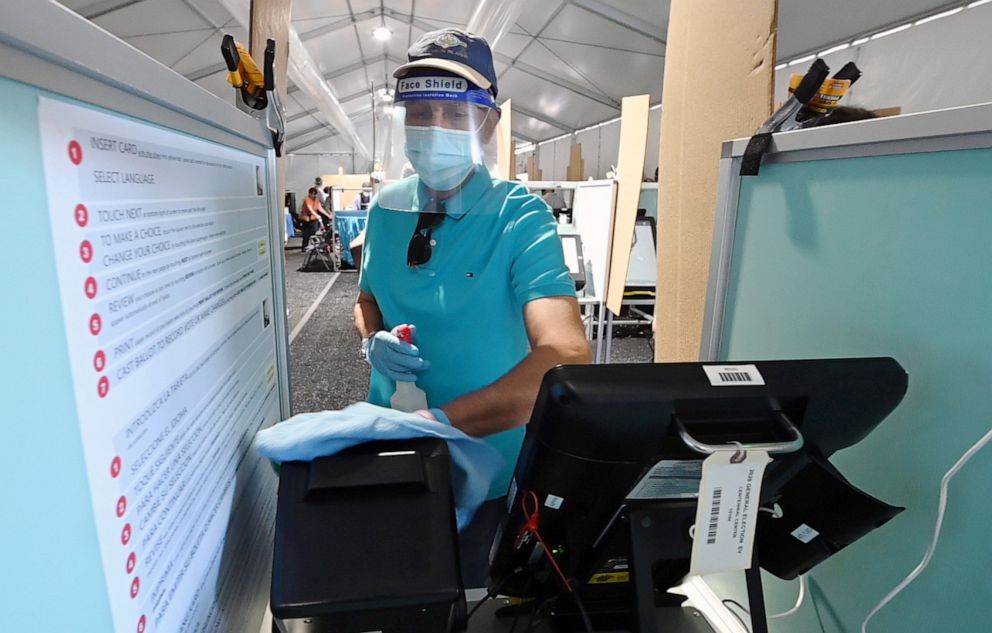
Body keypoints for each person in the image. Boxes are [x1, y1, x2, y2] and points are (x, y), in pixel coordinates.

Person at [355, 28, 591, 585]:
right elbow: (366, 298)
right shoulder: (386, 209)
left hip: (489, 458)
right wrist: (371, 340)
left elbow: (565, 357)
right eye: (419, 113)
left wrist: (440, 424)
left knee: (478, 592)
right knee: (400, 586)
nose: (433, 129)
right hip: (395, 445)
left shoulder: (519, 218)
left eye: (452, 113)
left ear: (487, 123)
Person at [299, 187, 332, 253]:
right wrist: (317, 215)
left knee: (314, 232)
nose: (313, 195)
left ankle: (314, 247)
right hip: (306, 218)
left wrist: (328, 215)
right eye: (312, 194)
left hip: (313, 218)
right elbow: (310, 209)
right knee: (306, 234)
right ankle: (304, 247)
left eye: (315, 194)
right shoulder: (307, 199)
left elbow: (320, 209)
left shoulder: (316, 200)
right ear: (309, 194)